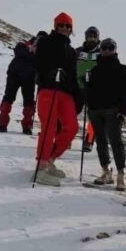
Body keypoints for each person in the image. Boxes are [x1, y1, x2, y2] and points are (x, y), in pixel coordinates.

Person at [32, 13, 81, 186]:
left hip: (66, 93)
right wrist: (49, 73)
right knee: (49, 128)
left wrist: (79, 97)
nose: (65, 28)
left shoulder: (72, 51)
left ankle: (50, 159)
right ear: (55, 26)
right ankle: (40, 168)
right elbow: (37, 63)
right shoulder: (46, 42)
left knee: (71, 128)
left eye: (68, 26)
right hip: (48, 89)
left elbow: (74, 76)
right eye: (61, 25)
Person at [86, 38, 126, 190]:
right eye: (104, 47)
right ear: (100, 49)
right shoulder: (94, 70)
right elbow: (89, 91)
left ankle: (121, 174)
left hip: (113, 110)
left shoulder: (123, 70)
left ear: (115, 49)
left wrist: (125, 112)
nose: (107, 50)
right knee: (100, 141)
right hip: (95, 110)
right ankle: (106, 172)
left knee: (115, 141)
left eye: (110, 47)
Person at [0, 31, 45, 134]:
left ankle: (6, 124)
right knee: (17, 99)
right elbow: (18, 51)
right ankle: (18, 126)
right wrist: (33, 53)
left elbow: (20, 52)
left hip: (21, 75)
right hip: (19, 75)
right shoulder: (25, 43)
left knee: (18, 99)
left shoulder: (27, 45)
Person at [76, 26, 101, 152]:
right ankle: (66, 138)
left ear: (97, 38)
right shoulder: (78, 51)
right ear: (86, 37)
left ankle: (89, 141)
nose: (91, 38)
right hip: (78, 87)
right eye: (89, 35)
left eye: (94, 36)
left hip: (94, 90)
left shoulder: (102, 52)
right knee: (71, 113)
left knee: (93, 117)